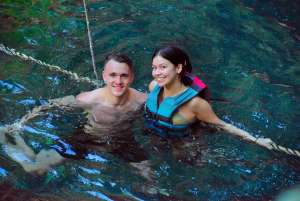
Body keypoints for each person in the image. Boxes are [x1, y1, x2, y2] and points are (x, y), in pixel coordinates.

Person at [1, 53, 149, 175]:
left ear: (131, 77)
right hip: (86, 138)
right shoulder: (88, 99)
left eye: (124, 75)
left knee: (150, 177)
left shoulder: (142, 100)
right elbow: (49, 105)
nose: (118, 81)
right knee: (35, 168)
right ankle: (9, 138)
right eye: (113, 75)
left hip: (122, 141)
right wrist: (20, 123)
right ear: (104, 76)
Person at [144, 45, 278, 163]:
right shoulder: (153, 87)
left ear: (178, 67)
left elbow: (223, 125)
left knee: (183, 160)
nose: (157, 73)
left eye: (163, 67)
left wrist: (256, 140)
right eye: (154, 68)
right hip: (156, 135)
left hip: (184, 143)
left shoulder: (195, 104)